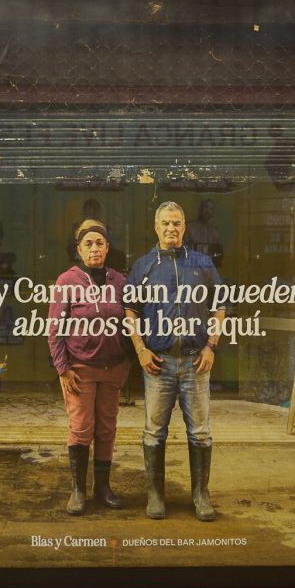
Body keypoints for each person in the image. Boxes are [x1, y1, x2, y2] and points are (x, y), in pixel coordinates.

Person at [124, 201, 227, 521]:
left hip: (196, 362)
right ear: (156, 227)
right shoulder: (143, 266)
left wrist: (211, 346)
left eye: (177, 223)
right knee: (154, 432)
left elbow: (220, 306)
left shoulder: (203, 263)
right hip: (159, 364)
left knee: (200, 433)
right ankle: (155, 495)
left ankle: (201, 494)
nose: (171, 228)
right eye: (166, 223)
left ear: (185, 228)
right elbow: (130, 311)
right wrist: (140, 349)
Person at [46, 220, 130, 514]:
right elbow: (54, 330)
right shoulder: (66, 281)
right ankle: (78, 490)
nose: (94, 248)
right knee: (82, 428)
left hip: (113, 370)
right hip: (79, 369)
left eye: (100, 243)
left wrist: (126, 362)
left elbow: (132, 323)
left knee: (106, 429)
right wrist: (62, 368)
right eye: (88, 244)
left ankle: (103, 489)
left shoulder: (119, 281)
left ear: (108, 247)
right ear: (79, 249)